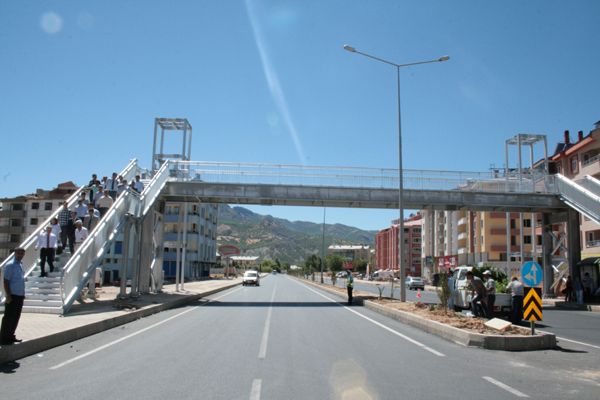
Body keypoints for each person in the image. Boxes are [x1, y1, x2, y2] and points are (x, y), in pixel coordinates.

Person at [1, 247, 26, 345]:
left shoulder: (20, 264)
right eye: (18, 253)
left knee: (16, 317)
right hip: (13, 295)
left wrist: (23, 293)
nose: (20, 255)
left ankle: (11, 336)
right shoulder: (10, 265)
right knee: (8, 317)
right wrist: (8, 295)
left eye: (22, 254)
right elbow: (6, 281)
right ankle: (3, 338)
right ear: (15, 253)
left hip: (20, 295)